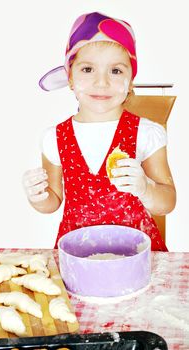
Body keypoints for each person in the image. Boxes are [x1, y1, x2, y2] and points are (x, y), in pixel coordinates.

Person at [23, 12, 176, 251]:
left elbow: (167, 203)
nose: (101, 82)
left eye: (116, 71)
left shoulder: (146, 133)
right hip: (78, 255)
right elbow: (53, 201)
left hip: (137, 255)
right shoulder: (54, 138)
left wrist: (146, 188)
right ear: (70, 77)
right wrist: (38, 197)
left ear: (130, 81)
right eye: (87, 70)